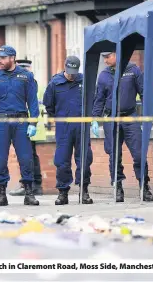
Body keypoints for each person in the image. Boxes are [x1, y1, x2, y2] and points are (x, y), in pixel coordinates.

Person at [91, 52, 153, 202]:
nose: (105, 60)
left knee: (139, 154)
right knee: (114, 155)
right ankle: (118, 187)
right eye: (103, 58)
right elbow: (99, 99)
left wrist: (149, 112)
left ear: (116, 54)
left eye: (108, 57)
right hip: (111, 118)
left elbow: (143, 92)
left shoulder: (133, 70)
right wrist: (95, 119)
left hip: (129, 116)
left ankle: (144, 187)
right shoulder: (103, 75)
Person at [0, 45, 40, 206]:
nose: (0, 61)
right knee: (0, 158)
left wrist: (33, 122)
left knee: (26, 157)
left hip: (21, 121)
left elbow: (32, 100)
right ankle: (1, 194)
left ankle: (29, 192)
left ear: (12, 58)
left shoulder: (26, 76)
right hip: (1, 121)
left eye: (3, 58)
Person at [43, 56, 94, 205]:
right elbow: (49, 105)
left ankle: (84, 191)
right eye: (69, 71)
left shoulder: (84, 81)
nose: (71, 75)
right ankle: (62, 192)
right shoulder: (55, 83)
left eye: (74, 72)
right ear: (64, 66)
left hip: (81, 126)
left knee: (84, 158)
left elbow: (93, 99)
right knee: (62, 161)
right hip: (63, 126)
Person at [7, 59, 44, 197]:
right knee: (31, 155)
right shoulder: (35, 83)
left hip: (28, 125)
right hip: (35, 126)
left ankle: (28, 184)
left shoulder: (27, 83)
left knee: (27, 156)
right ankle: (35, 185)